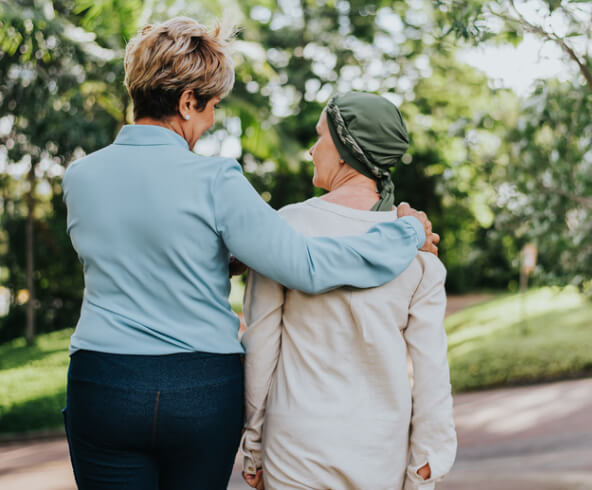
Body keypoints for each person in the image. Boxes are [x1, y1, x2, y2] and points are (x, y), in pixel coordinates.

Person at [61, 18, 438, 490]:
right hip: (198, 392)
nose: (211, 120)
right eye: (211, 106)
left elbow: (141, 255)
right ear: (186, 102)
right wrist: (405, 232)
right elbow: (307, 266)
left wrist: (223, 258)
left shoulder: (80, 178)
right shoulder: (216, 180)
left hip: (105, 382)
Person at [240, 92, 457, 490]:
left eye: (320, 137)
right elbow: (431, 372)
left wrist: (252, 445)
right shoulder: (419, 251)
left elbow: (259, 348)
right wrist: (427, 464)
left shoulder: (286, 230)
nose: (311, 150)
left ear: (343, 149)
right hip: (380, 458)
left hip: (295, 454)